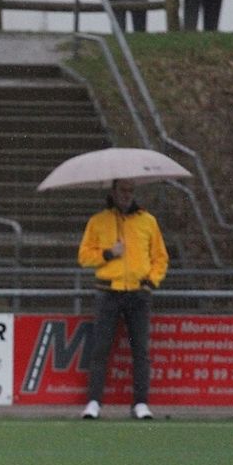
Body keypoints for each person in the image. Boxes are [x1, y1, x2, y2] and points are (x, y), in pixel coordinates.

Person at [78, 179, 168, 420]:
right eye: (123, 190)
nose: (127, 195)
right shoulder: (98, 221)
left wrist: (151, 282)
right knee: (100, 349)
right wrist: (108, 253)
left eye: (131, 191)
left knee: (140, 350)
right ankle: (94, 402)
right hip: (108, 291)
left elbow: (160, 257)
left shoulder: (147, 221)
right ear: (113, 192)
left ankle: (140, 403)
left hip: (138, 292)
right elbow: (84, 256)